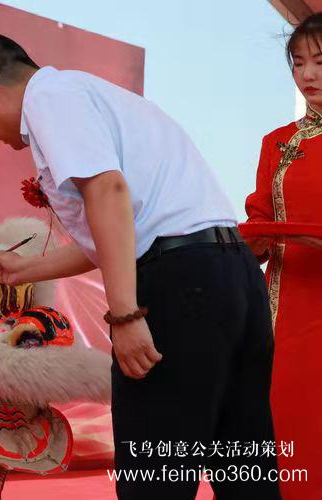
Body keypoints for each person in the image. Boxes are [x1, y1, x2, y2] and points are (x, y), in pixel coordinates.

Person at [0, 33, 280, 499]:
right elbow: (115, 229)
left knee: (154, 473)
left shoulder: (50, 99)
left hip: (182, 282)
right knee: (242, 465)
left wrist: (125, 314)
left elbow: (109, 193)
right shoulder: (96, 97)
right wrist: (23, 270)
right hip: (232, 275)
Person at [245, 13, 322, 499]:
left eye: (321, 61)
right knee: (290, 430)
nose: (308, 74)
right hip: (291, 314)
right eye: (298, 64)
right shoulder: (279, 143)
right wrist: (253, 241)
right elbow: (259, 219)